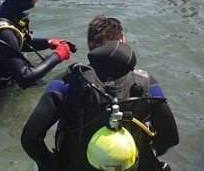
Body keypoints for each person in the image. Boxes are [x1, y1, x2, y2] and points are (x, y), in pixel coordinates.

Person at [21, 16, 179, 171]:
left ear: (89, 44)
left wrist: (53, 165)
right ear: (123, 41)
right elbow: (171, 138)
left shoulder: (66, 82)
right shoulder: (147, 83)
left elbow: (30, 139)